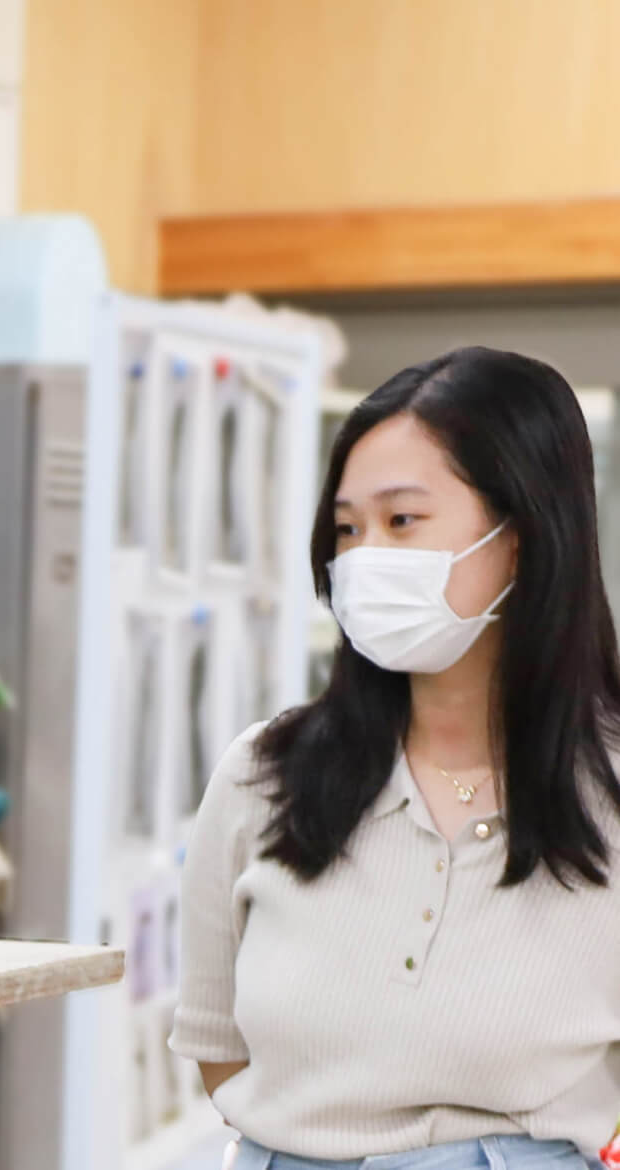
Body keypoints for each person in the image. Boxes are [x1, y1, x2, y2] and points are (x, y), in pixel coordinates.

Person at [170, 348, 620, 1170]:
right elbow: (216, 1042)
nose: (364, 557)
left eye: (402, 521)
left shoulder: (609, 793)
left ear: (520, 536)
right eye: (347, 529)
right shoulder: (261, 774)